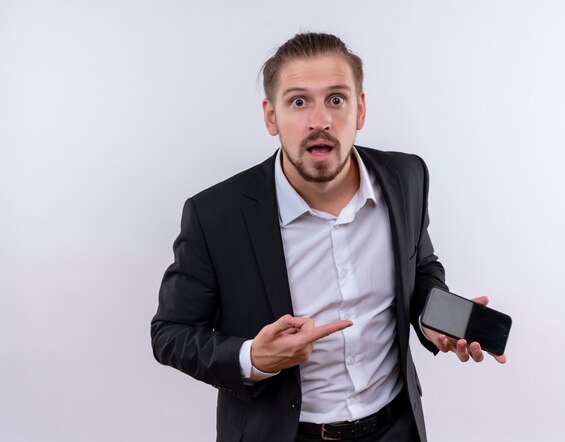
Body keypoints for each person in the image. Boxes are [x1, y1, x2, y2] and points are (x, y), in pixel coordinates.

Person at [151, 32, 506, 442]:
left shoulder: (407, 177)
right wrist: (253, 357)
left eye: (336, 99)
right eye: (298, 101)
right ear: (271, 116)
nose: (320, 120)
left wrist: (432, 318)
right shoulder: (216, 215)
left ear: (361, 109)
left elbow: (420, 265)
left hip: (397, 427)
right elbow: (170, 332)